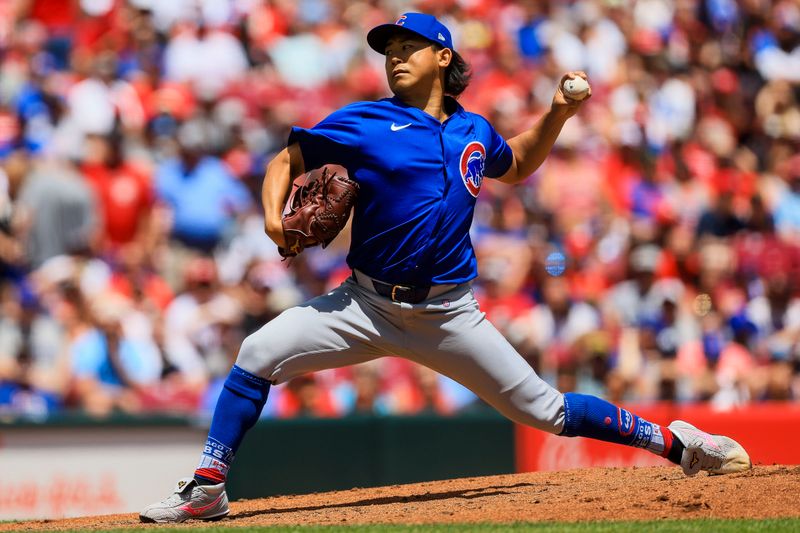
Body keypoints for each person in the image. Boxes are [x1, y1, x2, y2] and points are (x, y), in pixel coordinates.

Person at [140, 13, 751, 523]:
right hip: (365, 305)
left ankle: (679, 445)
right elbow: (286, 159)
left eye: (409, 47)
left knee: (548, 412)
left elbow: (518, 168)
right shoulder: (363, 121)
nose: (395, 58)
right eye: (389, 50)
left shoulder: (474, 129)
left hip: (449, 313)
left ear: (443, 57)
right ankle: (209, 485)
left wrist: (559, 113)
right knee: (256, 352)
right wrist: (275, 219)